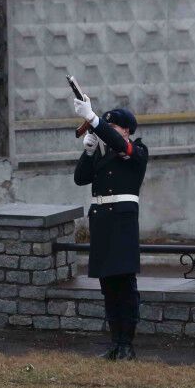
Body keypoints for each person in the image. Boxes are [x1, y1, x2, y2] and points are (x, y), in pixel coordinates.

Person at [72, 91, 149, 360]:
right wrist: (89, 150)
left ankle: (127, 344)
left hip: (122, 222)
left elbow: (118, 143)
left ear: (126, 130)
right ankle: (115, 342)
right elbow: (80, 179)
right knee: (108, 287)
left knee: (125, 286)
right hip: (102, 222)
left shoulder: (136, 150)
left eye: (112, 127)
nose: (107, 132)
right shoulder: (103, 156)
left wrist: (92, 119)